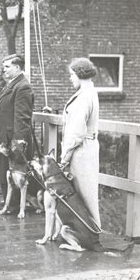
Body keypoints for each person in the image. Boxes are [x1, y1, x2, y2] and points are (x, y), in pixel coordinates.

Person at [0, 54, 34, 213]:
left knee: (15, 172)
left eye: (7, 66)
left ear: (17, 67)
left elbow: (22, 117)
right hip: (3, 136)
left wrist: (18, 142)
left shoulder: (23, 86)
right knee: (4, 172)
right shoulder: (11, 84)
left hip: (12, 139)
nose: (4, 69)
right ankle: (9, 203)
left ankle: (14, 205)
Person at [61, 57, 101, 226]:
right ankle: (89, 232)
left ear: (79, 74)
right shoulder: (90, 92)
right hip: (88, 148)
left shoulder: (84, 97)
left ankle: (92, 232)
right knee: (86, 193)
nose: (70, 78)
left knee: (85, 194)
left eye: (72, 74)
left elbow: (76, 133)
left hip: (81, 151)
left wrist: (64, 159)